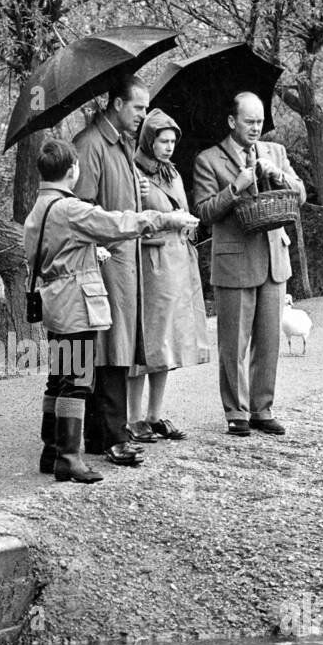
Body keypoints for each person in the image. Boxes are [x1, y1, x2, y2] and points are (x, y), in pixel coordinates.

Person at [26, 139, 197, 482]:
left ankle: (52, 450)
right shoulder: (69, 209)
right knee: (76, 383)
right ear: (72, 171)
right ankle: (70, 458)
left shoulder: (39, 209)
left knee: (58, 380)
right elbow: (118, 223)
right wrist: (165, 218)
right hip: (76, 304)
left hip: (55, 303)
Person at [192, 92, 306, 437]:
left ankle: (262, 409)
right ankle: (236, 412)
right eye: (249, 121)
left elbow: (299, 194)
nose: (256, 128)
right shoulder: (208, 160)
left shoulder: (276, 152)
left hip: (274, 259)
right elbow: (204, 212)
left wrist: (279, 176)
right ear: (232, 122)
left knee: (269, 341)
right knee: (234, 344)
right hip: (235, 261)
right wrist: (236, 188)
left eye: (259, 121)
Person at [72, 73, 151, 466]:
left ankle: (107, 434)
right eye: (138, 107)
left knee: (117, 348)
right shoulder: (90, 145)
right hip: (104, 265)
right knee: (106, 348)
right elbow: (82, 211)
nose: (144, 115)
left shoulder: (121, 145)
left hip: (125, 264)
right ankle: (108, 436)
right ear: (118, 104)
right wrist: (101, 252)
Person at [126, 109, 210, 443]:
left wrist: (187, 222)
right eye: (163, 140)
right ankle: (133, 418)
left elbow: (181, 210)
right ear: (149, 139)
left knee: (168, 342)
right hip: (150, 263)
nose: (169, 147)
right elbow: (130, 217)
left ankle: (155, 415)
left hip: (177, 263)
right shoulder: (133, 172)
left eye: (173, 141)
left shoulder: (172, 173)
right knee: (145, 343)